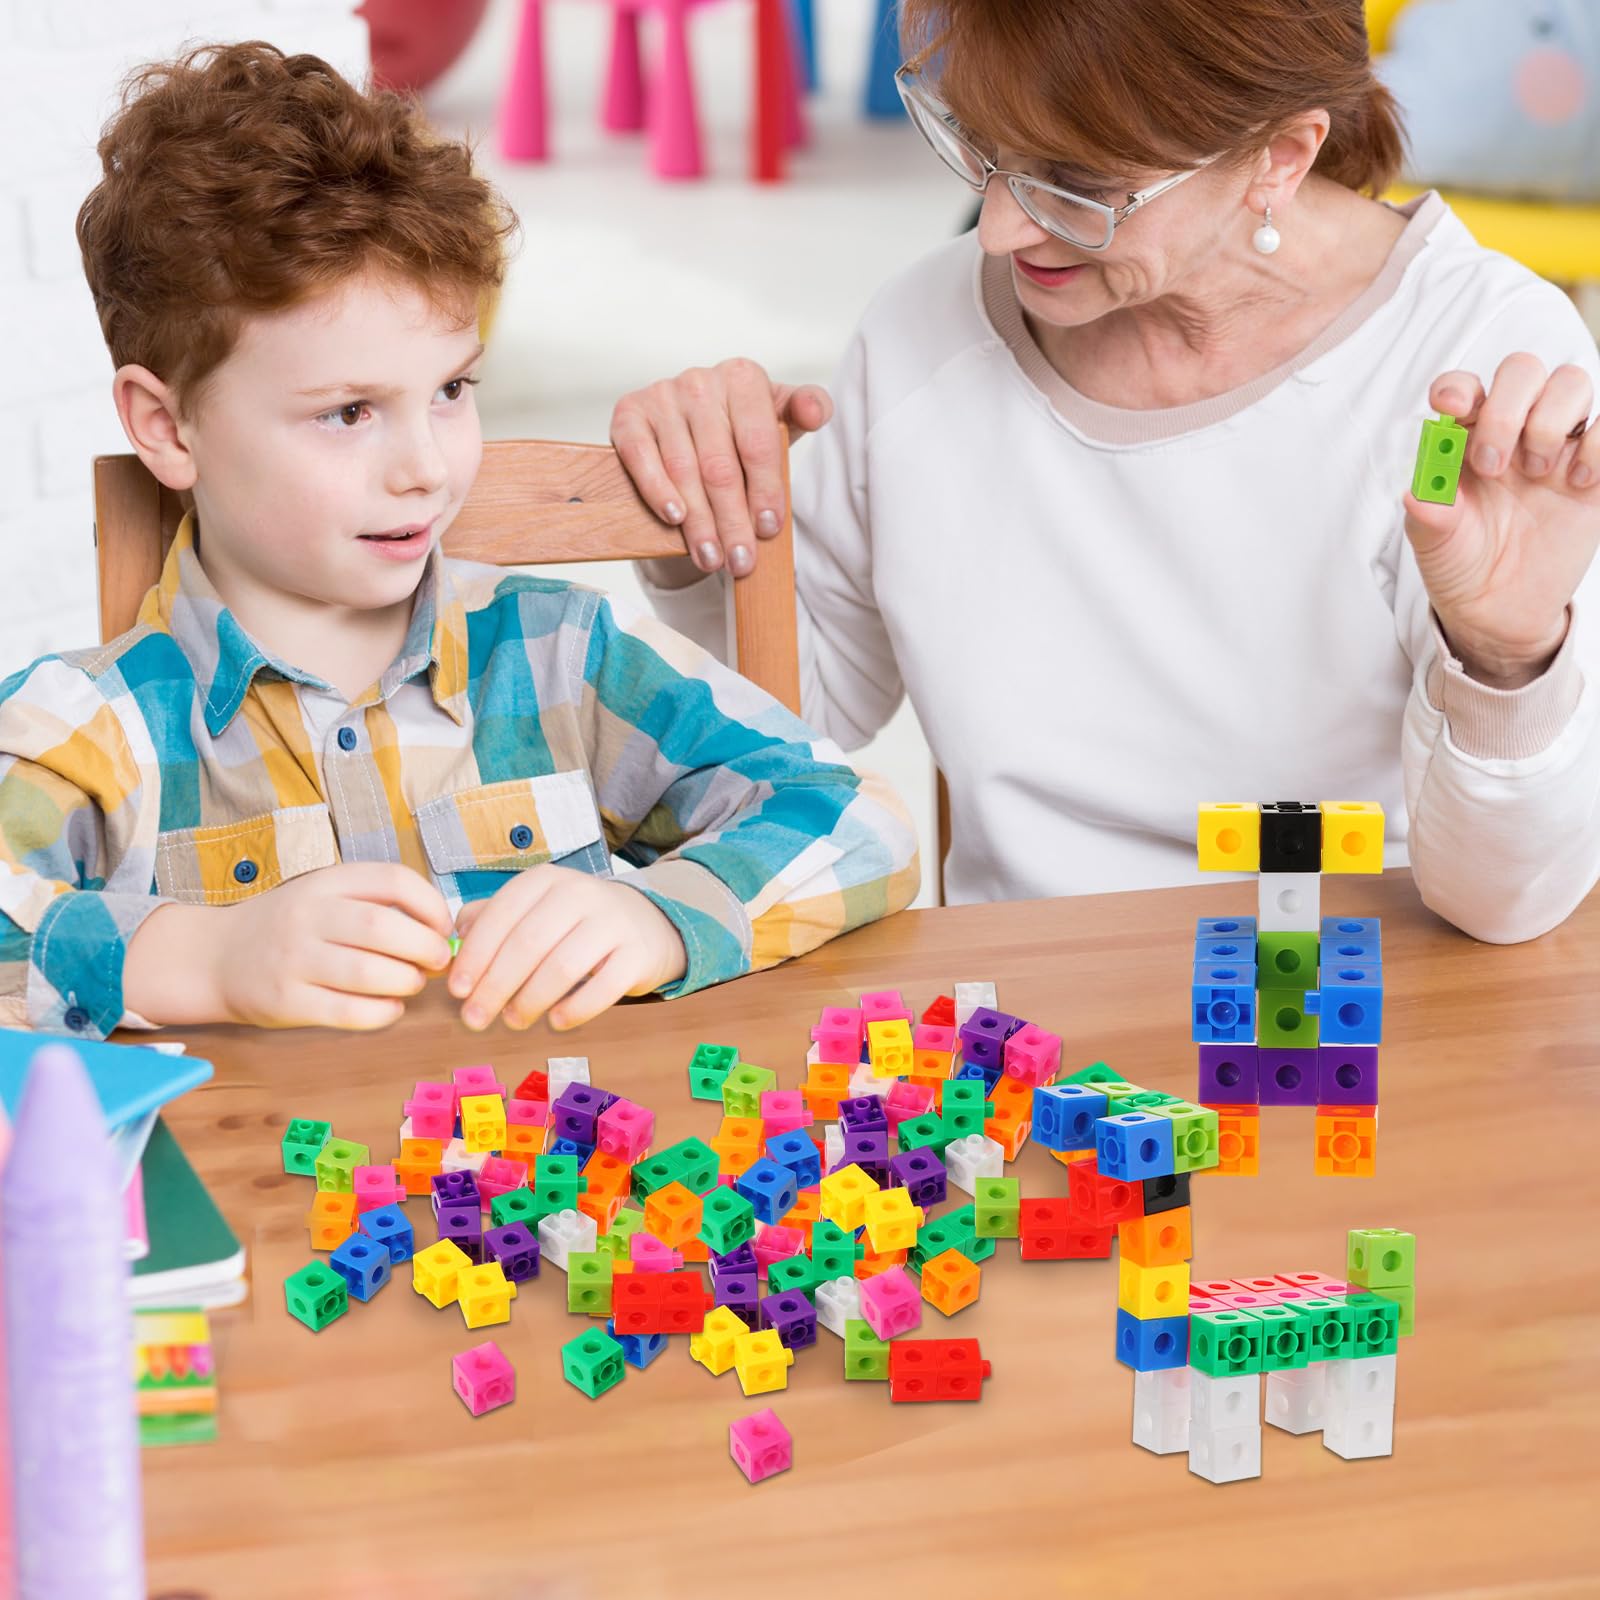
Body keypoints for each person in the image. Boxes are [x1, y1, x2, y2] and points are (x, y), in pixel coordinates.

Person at [612, 0, 1600, 943]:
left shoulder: (1480, 369)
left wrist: (1507, 659)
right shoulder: (924, 331)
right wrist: (707, 519)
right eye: (982, 144)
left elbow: (1503, 907)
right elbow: (810, 714)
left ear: (1280, 156)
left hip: (1345, 1010)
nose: (997, 229)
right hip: (1032, 1025)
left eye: (1077, 182)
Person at [0, 42, 918, 1042]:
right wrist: (203, 960)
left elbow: (857, 815)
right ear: (169, 428)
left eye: (450, 390)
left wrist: (657, 913)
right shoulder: (87, 728)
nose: (425, 467)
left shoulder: (560, 654)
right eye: (349, 411)